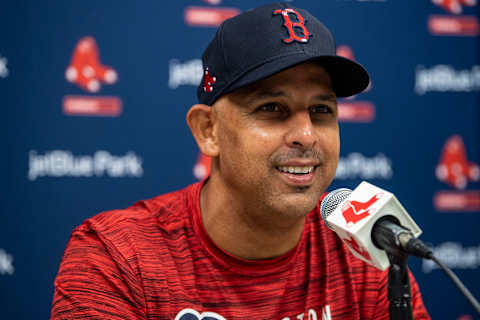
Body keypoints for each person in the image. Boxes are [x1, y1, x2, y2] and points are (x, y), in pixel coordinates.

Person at [51, 3, 431, 319]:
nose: (307, 135)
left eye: (320, 110)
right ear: (208, 131)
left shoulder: (366, 250)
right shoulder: (117, 257)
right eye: (272, 108)